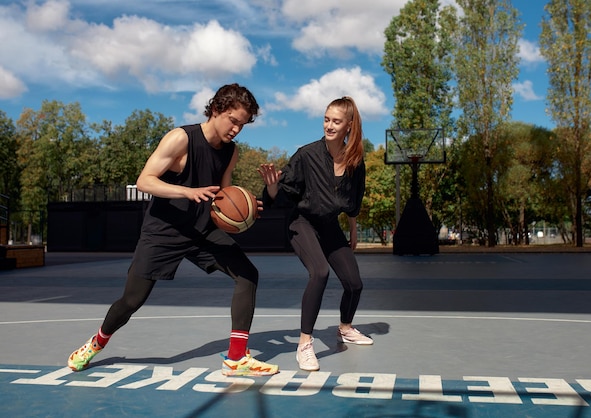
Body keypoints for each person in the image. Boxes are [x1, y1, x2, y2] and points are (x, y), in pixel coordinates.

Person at [67, 83, 279, 377]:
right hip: (164, 231)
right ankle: (96, 343)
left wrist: (251, 203)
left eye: (242, 125)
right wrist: (187, 192)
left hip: (202, 230)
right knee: (132, 300)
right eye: (233, 121)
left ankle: (236, 358)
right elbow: (145, 181)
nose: (236, 130)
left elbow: (226, 192)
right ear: (217, 109)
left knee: (247, 274)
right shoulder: (181, 139)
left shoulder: (231, 151)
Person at [257, 96, 372, 372]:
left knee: (354, 283)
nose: (329, 126)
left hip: (330, 225)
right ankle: (305, 344)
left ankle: (345, 328)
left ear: (349, 125)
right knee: (320, 272)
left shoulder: (355, 162)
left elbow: (353, 202)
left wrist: (353, 230)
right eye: (326, 119)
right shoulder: (306, 155)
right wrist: (272, 188)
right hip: (302, 222)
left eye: (336, 121)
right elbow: (282, 193)